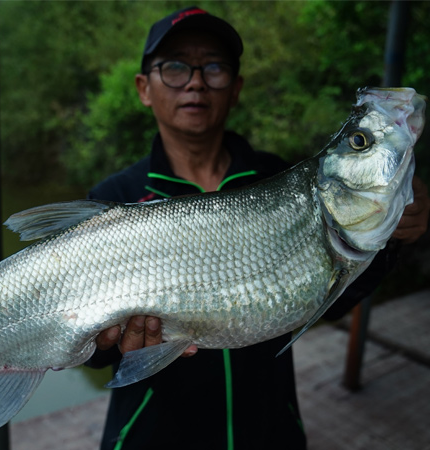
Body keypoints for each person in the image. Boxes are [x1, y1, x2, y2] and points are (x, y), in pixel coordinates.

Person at [86, 6, 430, 450]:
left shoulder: (278, 178)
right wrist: (104, 344)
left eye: (214, 67)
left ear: (236, 89)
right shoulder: (113, 198)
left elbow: (326, 301)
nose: (195, 82)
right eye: (174, 67)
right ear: (143, 88)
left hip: (270, 433)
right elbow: (89, 350)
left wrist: (392, 242)